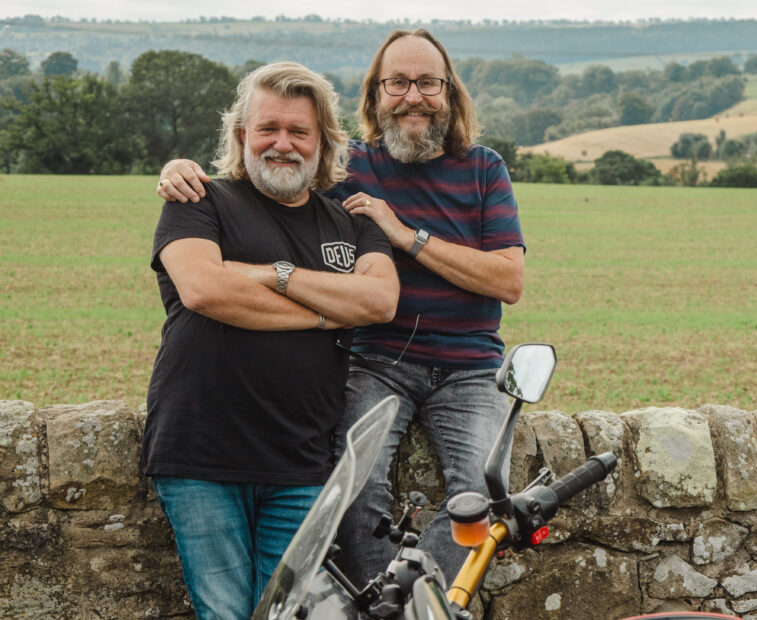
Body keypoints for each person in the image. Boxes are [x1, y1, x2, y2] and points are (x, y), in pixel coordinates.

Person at [157, 29, 526, 586]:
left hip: (471, 367)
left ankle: (413, 601)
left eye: (428, 83)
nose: (413, 96)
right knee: (350, 488)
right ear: (375, 95)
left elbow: (508, 280)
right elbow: (276, 170)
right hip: (375, 361)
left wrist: (404, 235)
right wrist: (178, 168)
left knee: (483, 490)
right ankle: (383, 602)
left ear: (449, 93)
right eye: (397, 83)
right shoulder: (347, 167)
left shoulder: (484, 168)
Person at [145, 61, 399, 620]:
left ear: (322, 141)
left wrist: (271, 274)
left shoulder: (353, 223)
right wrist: (325, 315)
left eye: (298, 131)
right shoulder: (199, 200)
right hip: (200, 454)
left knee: (288, 616)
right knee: (226, 614)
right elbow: (206, 290)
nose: (282, 144)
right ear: (243, 135)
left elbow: (379, 301)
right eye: (268, 128)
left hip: (301, 461)